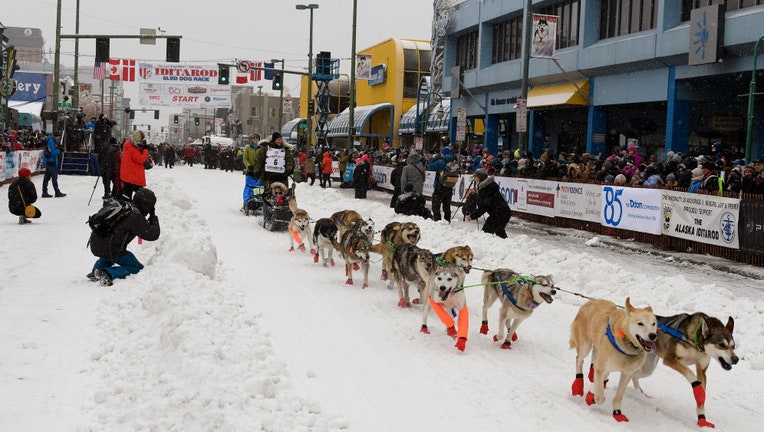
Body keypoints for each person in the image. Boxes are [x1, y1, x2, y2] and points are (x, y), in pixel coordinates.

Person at [87, 188, 160, 286]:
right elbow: (153, 235)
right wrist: (153, 217)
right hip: (111, 250)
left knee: (109, 253)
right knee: (137, 268)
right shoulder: (135, 216)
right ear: (146, 205)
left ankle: (96, 270)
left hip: (96, 244)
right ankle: (108, 273)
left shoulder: (125, 207)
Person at [465, 169, 511, 238]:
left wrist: (472, 216)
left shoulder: (487, 188)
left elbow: (484, 207)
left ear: (479, 178)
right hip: (503, 213)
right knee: (500, 232)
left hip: (499, 214)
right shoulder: (487, 186)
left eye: (475, 177)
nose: (474, 179)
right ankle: (508, 246)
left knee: (485, 234)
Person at [428, 147, 457, 222]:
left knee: (436, 205)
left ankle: (437, 220)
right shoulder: (454, 163)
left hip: (439, 186)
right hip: (449, 187)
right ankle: (447, 220)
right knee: (447, 206)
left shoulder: (440, 162)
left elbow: (430, 167)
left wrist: (435, 158)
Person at [120, 130, 150, 200]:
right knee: (140, 196)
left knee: (127, 194)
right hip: (132, 176)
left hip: (129, 175)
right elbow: (140, 159)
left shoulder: (129, 146)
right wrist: (145, 151)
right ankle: (132, 208)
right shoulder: (132, 148)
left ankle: (127, 208)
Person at [41, 131, 66, 198]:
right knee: (54, 177)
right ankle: (56, 191)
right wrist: (59, 150)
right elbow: (53, 152)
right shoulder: (51, 141)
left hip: (50, 160)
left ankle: (44, 191)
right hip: (51, 160)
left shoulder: (51, 140)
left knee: (47, 177)